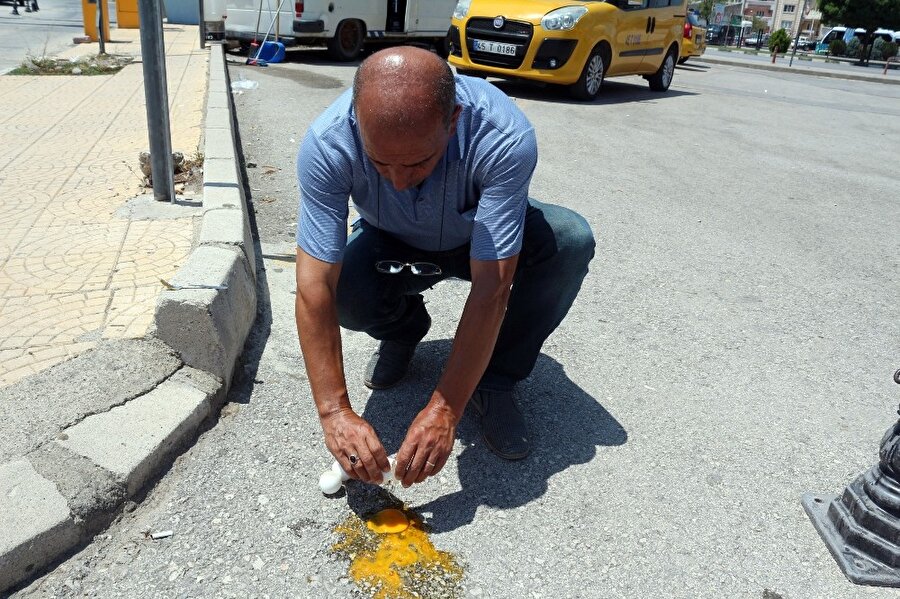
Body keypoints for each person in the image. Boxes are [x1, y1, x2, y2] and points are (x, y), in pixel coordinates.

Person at [295, 46, 594, 489]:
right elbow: (312, 286)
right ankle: (401, 331)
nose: (397, 181)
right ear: (357, 124)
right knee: (345, 291)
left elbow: (493, 287)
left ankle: (494, 380)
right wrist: (334, 411)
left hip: (478, 235)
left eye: (418, 162)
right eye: (380, 164)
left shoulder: (502, 135)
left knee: (570, 240)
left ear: (452, 121)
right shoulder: (328, 143)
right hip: (391, 239)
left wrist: (445, 408)